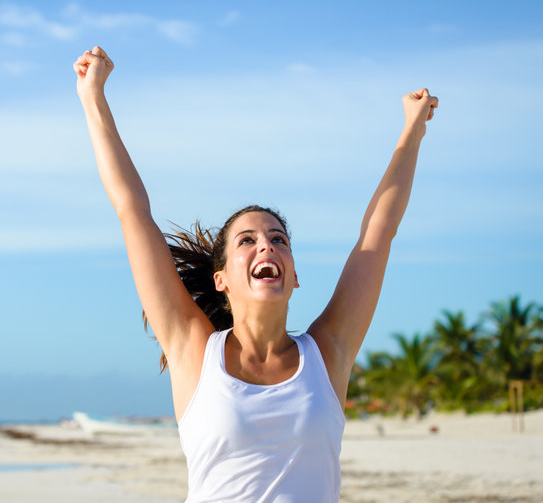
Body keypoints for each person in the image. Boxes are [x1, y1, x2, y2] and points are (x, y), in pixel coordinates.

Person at [73, 46, 438, 503]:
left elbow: (377, 234)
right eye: (247, 240)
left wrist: (412, 130)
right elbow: (133, 211)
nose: (266, 244)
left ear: (294, 275)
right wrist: (93, 96)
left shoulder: (328, 352)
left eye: (278, 239)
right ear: (221, 278)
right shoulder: (193, 351)